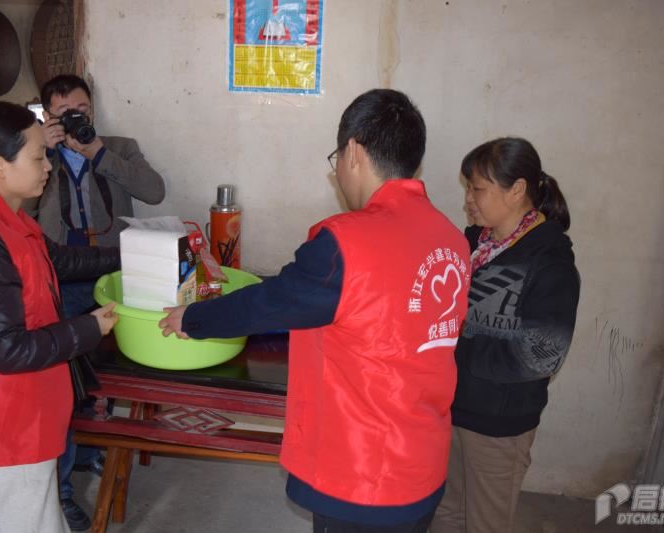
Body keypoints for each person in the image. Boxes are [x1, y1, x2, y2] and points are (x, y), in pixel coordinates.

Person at [160, 89, 471, 533]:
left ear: (354, 152)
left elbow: (271, 303)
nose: (338, 171)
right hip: (423, 463)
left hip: (363, 476)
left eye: (336, 158)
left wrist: (193, 319)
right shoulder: (451, 239)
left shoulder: (347, 243)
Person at [0, 101, 119, 533]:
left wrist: (132, 253)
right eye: (37, 157)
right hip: (4, 428)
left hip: (24, 414)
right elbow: (6, 350)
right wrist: (88, 328)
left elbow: (61, 260)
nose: (47, 166)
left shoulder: (6, 219)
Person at [30, 74, 165, 528]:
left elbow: (154, 191)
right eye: (64, 113)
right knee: (63, 386)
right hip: (61, 278)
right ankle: (62, 491)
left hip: (111, 275)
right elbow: (18, 213)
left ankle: (89, 451)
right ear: (47, 116)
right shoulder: (36, 155)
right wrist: (45, 150)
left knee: (102, 375)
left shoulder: (120, 147)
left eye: (82, 110)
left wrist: (99, 153)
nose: (75, 119)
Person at [429, 137, 580, 533]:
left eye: (478, 189)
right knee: (445, 513)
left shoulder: (549, 261)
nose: (468, 199)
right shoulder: (473, 243)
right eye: (467, 187)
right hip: (453, 408)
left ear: (517, 190)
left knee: (485, 523)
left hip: (499, 425)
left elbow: (543, 354)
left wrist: (457, 349)